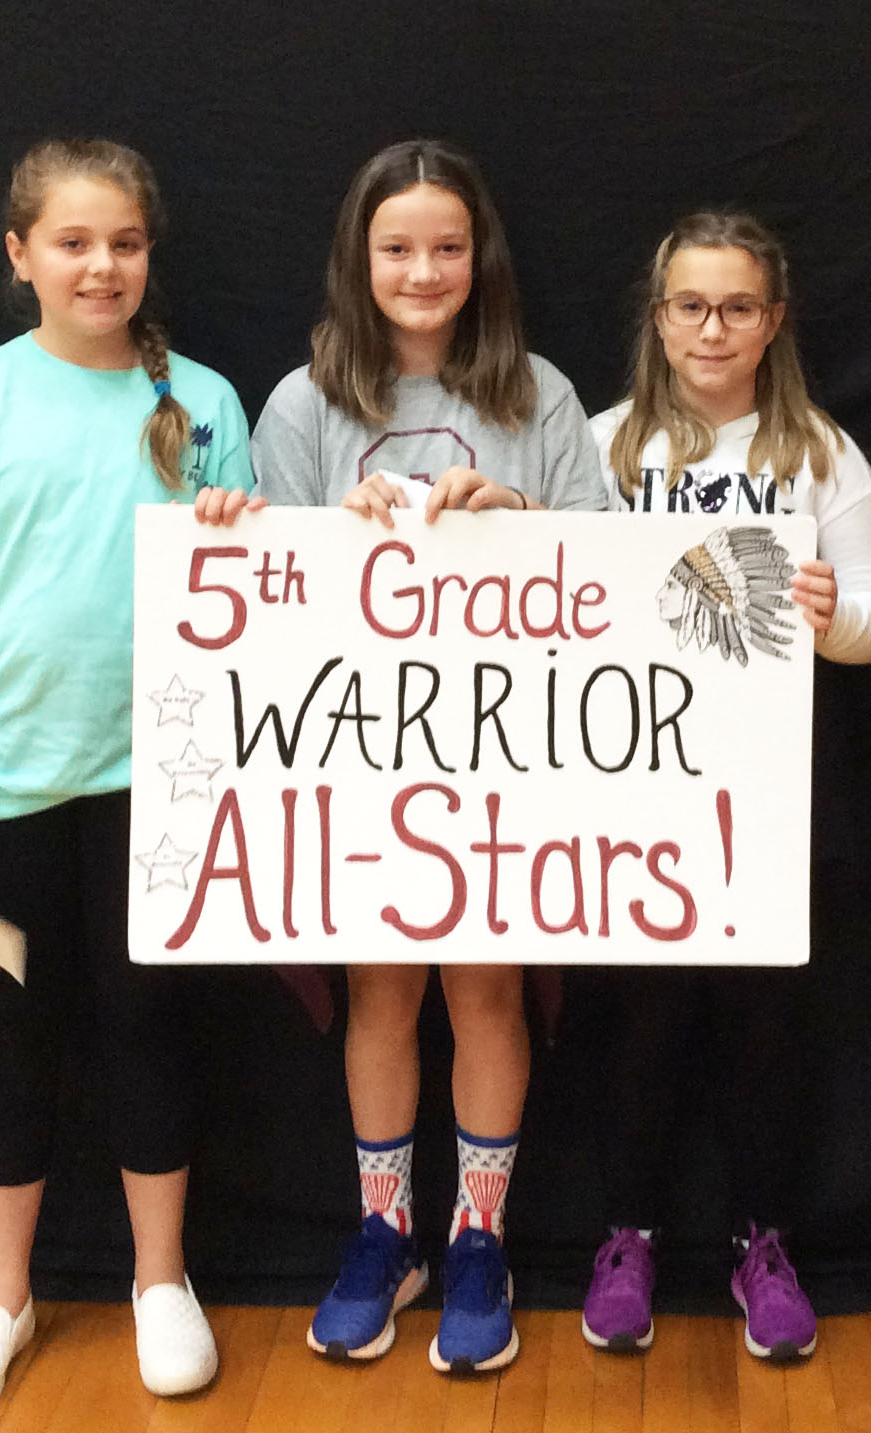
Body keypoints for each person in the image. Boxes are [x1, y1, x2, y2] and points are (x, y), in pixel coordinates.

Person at [0, 138, 253, 1419]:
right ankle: (2, 1293)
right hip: (2, 792)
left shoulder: (203, 401)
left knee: (151, 1026)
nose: (103, 264)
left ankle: (159, 1278)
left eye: (126, 242)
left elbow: (261, 608)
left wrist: (238, 533)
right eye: (74, 241)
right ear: (20, 253)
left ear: (152, 254)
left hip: (165, 788)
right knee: (12, 1036)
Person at [244, 137, 606, 1375]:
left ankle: (479, 1239)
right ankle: (384, 1231)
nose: (423, 268)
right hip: (358, 763)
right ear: (360, 256)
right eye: (397, 246)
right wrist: (303, 537)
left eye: (447, 246)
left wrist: (522, 520)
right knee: (381, 990)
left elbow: (612, 576)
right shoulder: (301, 404)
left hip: (510, 762)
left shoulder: (537, 395)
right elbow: (261, 601)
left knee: (487, 988)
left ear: (480, 257)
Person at [578, 211, 871, 1360]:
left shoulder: (818, 452)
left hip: (769, 796)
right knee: (641, 1022)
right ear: (658, 319)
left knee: (765, 1027)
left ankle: (765, 1243)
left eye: (737, 307)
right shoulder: (603, 443)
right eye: (690, 305)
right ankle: (626, 1236)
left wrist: (832, 617)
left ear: (774, 321)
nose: (712, 329)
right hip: (630, 796)